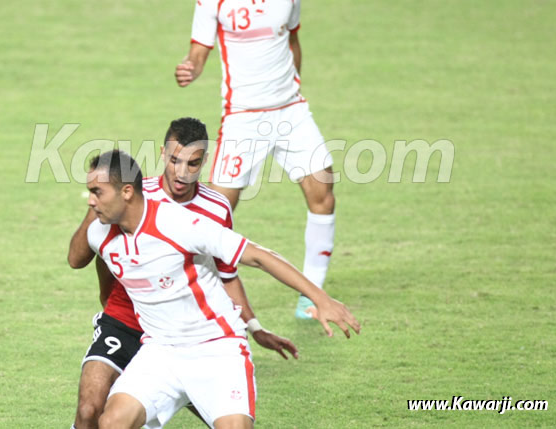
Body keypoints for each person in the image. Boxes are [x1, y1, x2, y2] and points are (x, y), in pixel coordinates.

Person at [72, 150, 359, 429]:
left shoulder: (179, 224)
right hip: (161, 351)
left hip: (216, 349)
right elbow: (86, 261)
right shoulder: (99, 234)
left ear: (125, 192)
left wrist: (320, 298)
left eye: (98, 192)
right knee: (111, 423)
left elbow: (258, 255)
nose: (90, 201)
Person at [174, 0, 336, 320]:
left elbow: (293, 40)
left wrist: (292, 85)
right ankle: (194, 289)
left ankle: (312, 294)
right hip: (243, 117)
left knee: (323, 192)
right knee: (216, 211)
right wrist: (191, 68)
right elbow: (199, 50)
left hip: (291, 111)